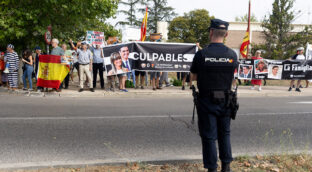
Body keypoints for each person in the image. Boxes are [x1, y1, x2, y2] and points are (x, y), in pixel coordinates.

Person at [190, 19, 238, 172]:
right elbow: (233, 79)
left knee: (209, 136)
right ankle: (226, 166)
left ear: (211, 32)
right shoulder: (232, 54)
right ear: (226, 34)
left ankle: (212, 168)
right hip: (226, 100)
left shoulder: (201, 54)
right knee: (225, 134)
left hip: (206, 100)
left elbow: (193, 77)